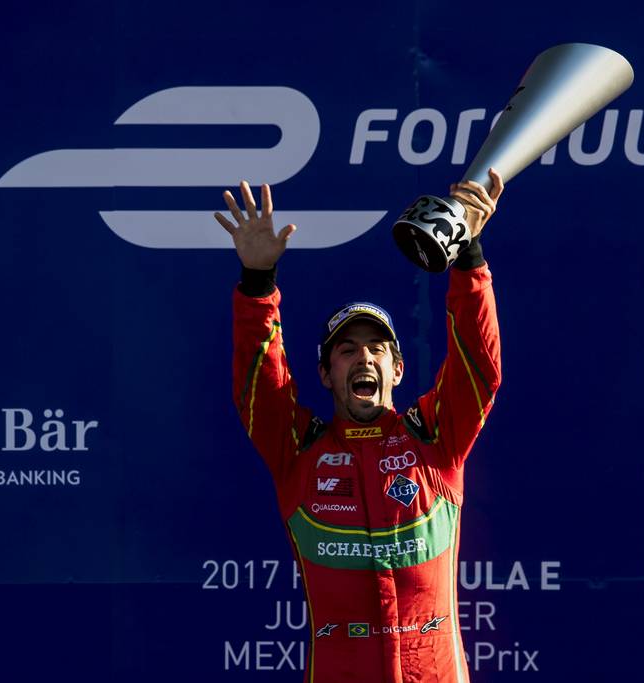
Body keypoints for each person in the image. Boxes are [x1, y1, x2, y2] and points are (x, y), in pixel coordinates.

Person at [215, 170, 504, 683]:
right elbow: (260, 387)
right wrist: (258, 282)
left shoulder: (433, 437)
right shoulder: (299, 451)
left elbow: (478, 367)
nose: (363, 358)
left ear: (397, 370)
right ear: (326, 375)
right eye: (347, 351)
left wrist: (469, 256)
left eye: (377, 349)